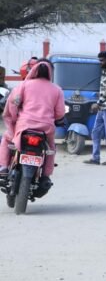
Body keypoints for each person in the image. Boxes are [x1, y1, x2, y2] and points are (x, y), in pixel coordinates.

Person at [0, 60, 65, 190]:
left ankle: (4, 167)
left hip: (24, 125)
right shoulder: (57, 89)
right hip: (46, 128)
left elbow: (13, 104)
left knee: (7, 139)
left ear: (33, 71)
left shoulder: (23, 86)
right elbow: (60, 113)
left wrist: (13, 118)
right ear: (50, 73)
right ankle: (46, 175)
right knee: (50, 149)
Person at [84, 51, 106, 166]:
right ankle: (95, 157)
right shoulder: (104, 72)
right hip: (102, 107)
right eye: (100, 60)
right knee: (95, 132)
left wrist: (97, 103)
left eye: (102, 60)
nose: (100, 63)